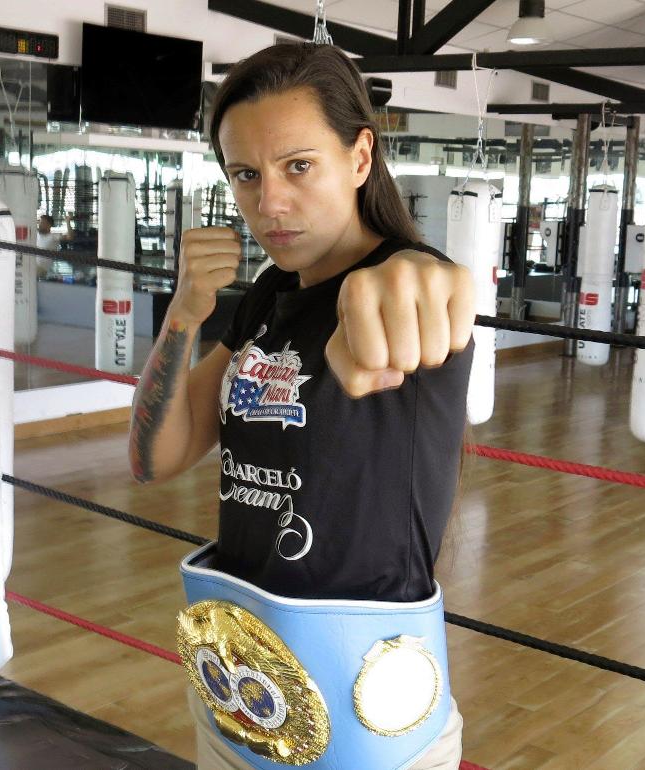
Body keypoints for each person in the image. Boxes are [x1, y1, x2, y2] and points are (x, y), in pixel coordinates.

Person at [127, 43, 474, 770]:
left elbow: (424, 290)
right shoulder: (269, 294)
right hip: (241, 691)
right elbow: (154, 458)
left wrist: (418, 273)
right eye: (247, 175)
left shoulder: (398, 284)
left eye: (299, 166)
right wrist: (184, 314)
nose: (270, 204)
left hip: (364, 712)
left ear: (360, 157)